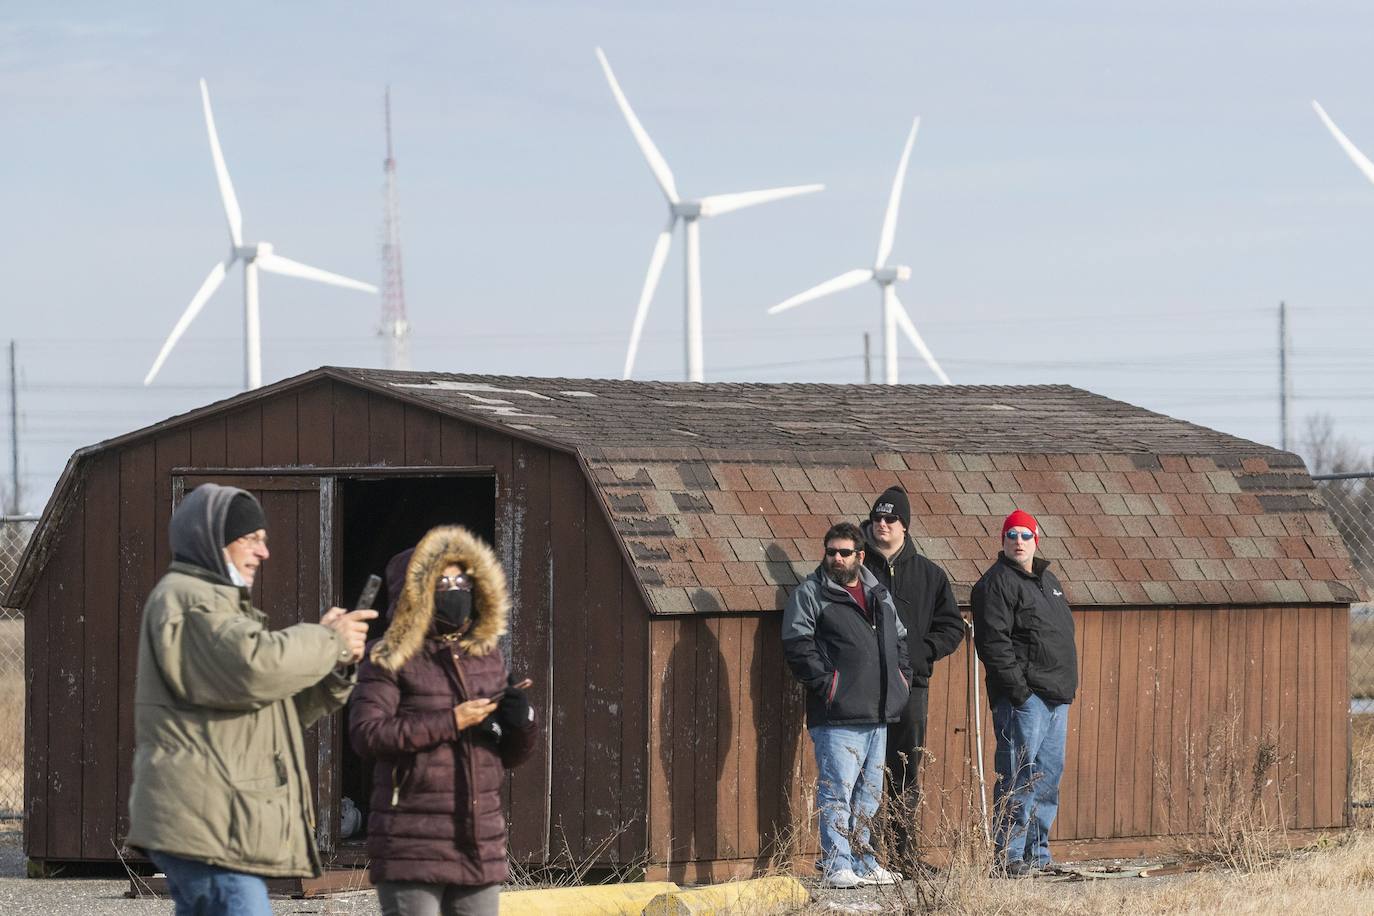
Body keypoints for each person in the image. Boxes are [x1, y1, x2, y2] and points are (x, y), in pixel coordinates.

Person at [127, 483, 376, 915]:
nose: (264, 553)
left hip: (215, 826)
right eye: (252, 539)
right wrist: (327, 640)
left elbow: (272, 708)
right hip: (206, 826)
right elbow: (254, 669)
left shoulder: (218, 608)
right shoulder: (188, 602)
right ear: (214, 540)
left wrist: (335, 669)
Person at [350, 525, 538, 916]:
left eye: (462, 580)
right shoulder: (389, 656)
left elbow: (511, 755)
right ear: (416, 592)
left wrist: (520, 722)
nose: (456, 591)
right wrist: (451, 721)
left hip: (477, 844)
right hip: (410, 844)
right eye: (443, 581)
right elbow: (367, 735)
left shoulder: (487, 655)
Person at [782, 522, 911, 889]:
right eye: (830, 551)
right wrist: (830, 687)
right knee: (837, 790)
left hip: (878, 711)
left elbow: (900, 641)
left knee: (869, 795)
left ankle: (864, 860)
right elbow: (797, 645)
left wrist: (901, 681)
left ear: (860, 556)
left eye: (843, 552)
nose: (836, 558)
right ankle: (837, 863)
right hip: (837, 714)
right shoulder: (812, 593)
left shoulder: (878, 594)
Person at [971, 509, 1078, 877]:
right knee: (1018, 777)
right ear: (1002, 540)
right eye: (1011, 535)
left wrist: (1064, 689)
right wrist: (1018, 692)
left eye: (1025, 535)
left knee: (1048, 779)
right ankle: (1008, 857)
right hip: (1024, 699)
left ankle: (1037, 855)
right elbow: (993, 643)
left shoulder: (1048, 580)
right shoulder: (995, 583)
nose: (1018, 541)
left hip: (1056, 696)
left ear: (1037, 540)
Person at [861, 485, 965, 859]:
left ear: (905, 525)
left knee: (905, 771)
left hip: (910, 687)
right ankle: (867, 857)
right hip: (864, 687)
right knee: (867, 771)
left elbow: (952, 627)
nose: (882, 524)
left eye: (890, 519)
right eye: (877, 518)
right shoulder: (854, 567)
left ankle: (905, 857)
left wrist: (920, 655)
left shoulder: (929, 575)